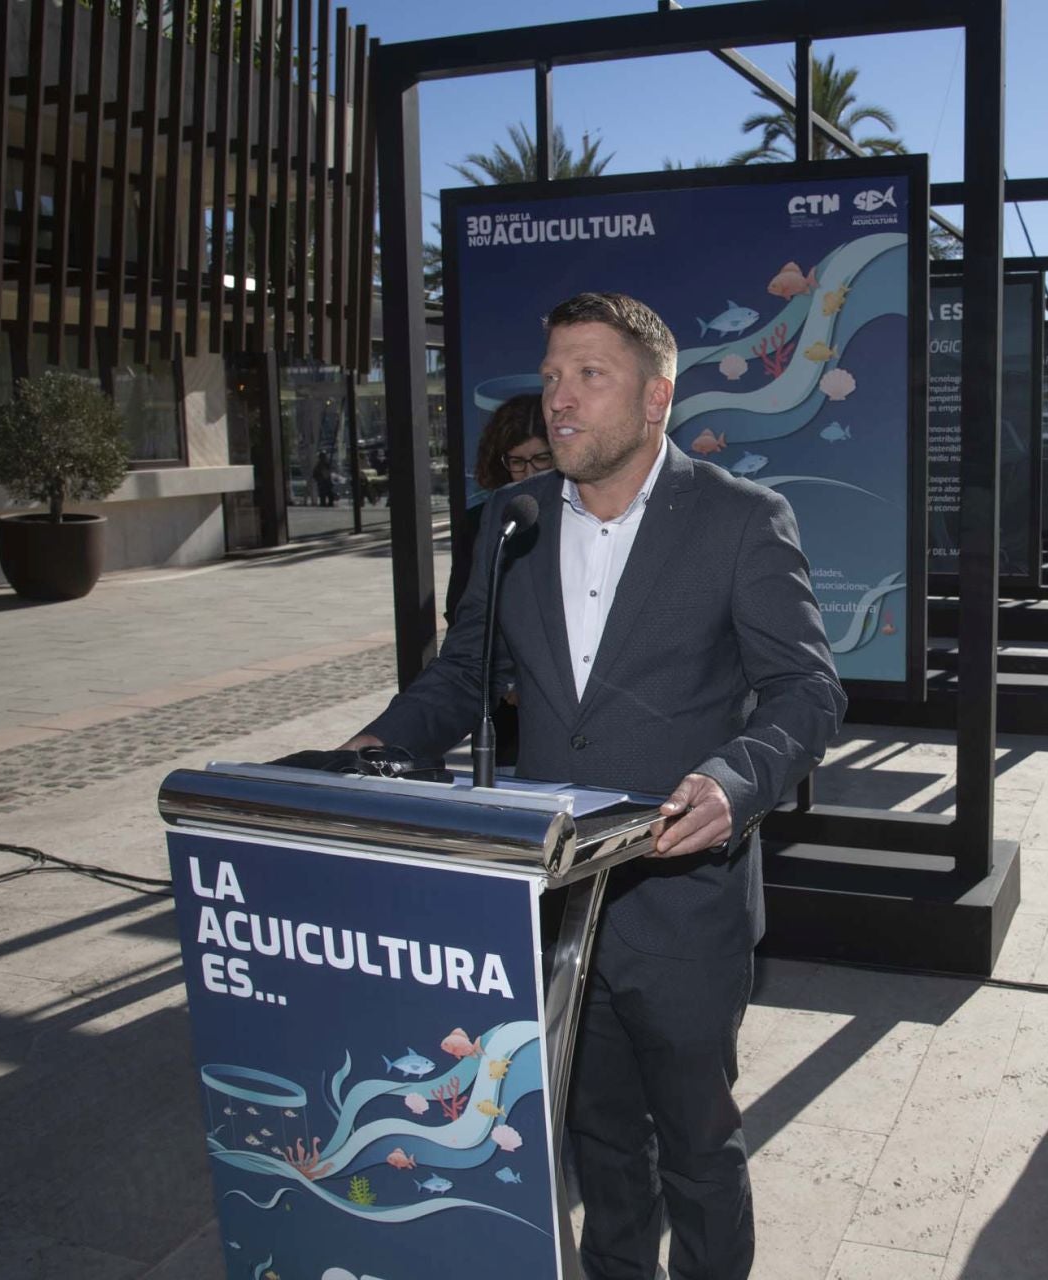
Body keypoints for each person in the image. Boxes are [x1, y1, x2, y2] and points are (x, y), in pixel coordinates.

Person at [344, 292, 846, 1279]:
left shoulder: (742, 520)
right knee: (599, 1146)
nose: (557, 402)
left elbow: (807, 689)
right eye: (550, 377)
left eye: (589, 376)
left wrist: (735, 778)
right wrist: (373, 745)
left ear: (657, 398)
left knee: (699, 1148)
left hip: (683, 906)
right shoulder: (510, 523)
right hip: (555, 904)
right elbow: (461, 674)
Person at [443, 393, 556, 622]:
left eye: (541, 458)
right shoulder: (481, 521)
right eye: (517, 462)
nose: (529, 472)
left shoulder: (582, 513)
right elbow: (460, 606)